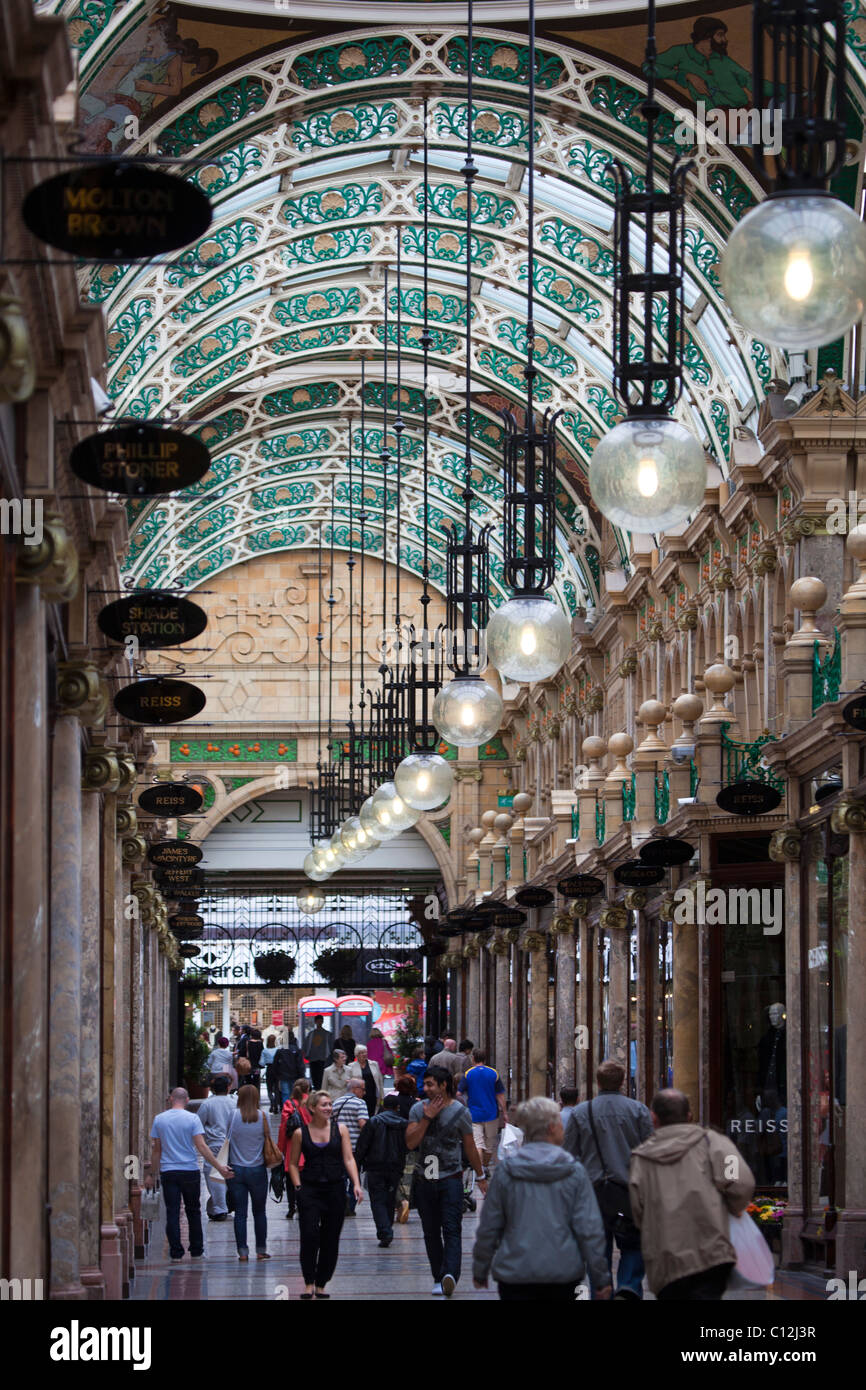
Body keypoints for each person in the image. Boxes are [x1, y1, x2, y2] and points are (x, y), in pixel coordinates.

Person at [472, 1096, 612, 1301]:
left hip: (515, 1272)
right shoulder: (574, 1172)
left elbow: (490, 1225)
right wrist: (600, 1279)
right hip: (562, 1272)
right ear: (553, 1127)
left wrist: (480, 1267)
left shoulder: (506, 1172)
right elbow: (589, 1229)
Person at [629, 1088, 756, 1301]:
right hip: (711, 1254)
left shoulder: (641, 1159)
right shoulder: (715, 1144)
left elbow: (637, 1208)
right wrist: (733, 1209)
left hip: (666, 1259)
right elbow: (739, 1179)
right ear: (689, 1116)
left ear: (654, 1118)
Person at [563, 1059, 653, 1300]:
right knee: (633, 1245)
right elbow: (650, 1151)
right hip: (630, 1191)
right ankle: (630, 1286)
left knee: (598, 1251)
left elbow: (569, 1155)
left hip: (594, 1193)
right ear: (623, 1081)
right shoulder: (638, 1110)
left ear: (598, 1082)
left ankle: (601, 1293)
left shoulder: (581, 1112)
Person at [406, 1065, 486, 1298]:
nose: (426, 1088)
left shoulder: (461, 1112)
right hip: (425, 1180)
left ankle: (450, 1274)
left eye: (431, 1084)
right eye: (425, 1084)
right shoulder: (416, 1109)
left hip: (451, 1178)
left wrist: (480, 1176)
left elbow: (470, 1146)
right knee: (430, 1231)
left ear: (444, 1085)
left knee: (452, 1228)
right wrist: (427, 1118)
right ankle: (438, 1276)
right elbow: (410, 1143)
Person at [288, 1090, 363, 1299]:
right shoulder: (300, 1133)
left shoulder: (341, 1130)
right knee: (310, 1235)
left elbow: (348, 1158)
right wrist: (298, 1187)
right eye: (324, 1105)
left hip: (335, 1188)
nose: (329, 1108)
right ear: (312, 1108)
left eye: (330, 1104)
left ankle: (321, 1283)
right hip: (310, 1189)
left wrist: (356, 1184)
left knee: (331, 1238)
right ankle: (308, 1282)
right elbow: (293, 1164)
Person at [147, 1087, 233, 1261]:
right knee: (193, 1210)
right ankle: (196, 1250)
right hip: (189, 1171)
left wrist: (151, 1174)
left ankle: (176, 1252)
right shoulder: (192, 1119)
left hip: (168, 1171)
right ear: (187, 1100)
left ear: (171, 1099)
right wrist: (219, 1166)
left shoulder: (159, 1119)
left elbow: (157, 1150)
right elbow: (202, 1147)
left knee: (172, 1212)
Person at [225, 1083, 272, 1261]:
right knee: (259, 1212)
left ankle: (243, 1252)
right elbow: (268, 1141)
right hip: (258, 1169)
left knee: (240, 1213)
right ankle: (261, 1250)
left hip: (236, 1169)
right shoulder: (263, 1116)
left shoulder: (233, 1115)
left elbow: (227, 1139)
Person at [354, 1093, 409, 1247]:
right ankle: (387, 1227)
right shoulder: (403, 1123)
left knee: (377, 1200)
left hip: (375, 1166)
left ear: (384, 1106)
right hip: (395, 1167)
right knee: (390, 1199)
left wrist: (357, 1165)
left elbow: (362, 1145)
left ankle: (385, 1231)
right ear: (398, 1107)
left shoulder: (373, 1122)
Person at [457, 1048, 506, 1176]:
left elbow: (458, 1093)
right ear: (485, 1059)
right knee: (490, 1145)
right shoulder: (493, 1073)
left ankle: (480, 1172)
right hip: (492, 1114)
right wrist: (504, 1112)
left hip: (474, 1114)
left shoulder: (468, 1074)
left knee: (477, 1143)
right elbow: (500, 1095)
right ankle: (484, 1166)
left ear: (473, 1058)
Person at [198, 1074, 236, 1222]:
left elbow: (199, 1124)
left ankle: (219, 1207)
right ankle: (220, 1206)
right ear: (228, 1087)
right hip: (233, 1143)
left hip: (215, 1144)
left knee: (215, 1176)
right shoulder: (235, 1102)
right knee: (229, 1174)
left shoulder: (207, 1104)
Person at [332, 1076, 368, 1215]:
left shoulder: (335, 1103)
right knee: (354, 1177)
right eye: (363, 1089)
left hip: (338, 1147)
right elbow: (363, 1125)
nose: (364, 1093)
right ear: (355, 1089)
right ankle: (350, 1206)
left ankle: (341, 1202)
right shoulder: (360, 1104)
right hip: (354, 1148)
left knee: (341, 1177)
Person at [277, 1079, 312, 1220]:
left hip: (293, 1146)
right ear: (307, 1089)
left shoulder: (289, 1104)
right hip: (310, 1145)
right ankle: (306, 1205)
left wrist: (281, 1148)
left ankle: (292, 1206)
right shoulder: (311, 1103)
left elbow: (284, 1127)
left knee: (291, 1181)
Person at [347, 1044, 383, 1116]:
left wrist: (381, 1094)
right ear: (356, 1055)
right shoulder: (351, 1066)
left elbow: (380, 1080)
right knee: (360, 1114)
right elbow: (349, 1082)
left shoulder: (374, 1064)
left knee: (372, 1113)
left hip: (372, 1094)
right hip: (358, 1095)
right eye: (361, 1053)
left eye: (365, 1052)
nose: (364, 1054)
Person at [272, 1030, 304, 1106]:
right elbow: (300, 1064)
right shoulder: (297, 1050)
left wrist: (277, 1075)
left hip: (283, 1075)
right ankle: (294, 1110)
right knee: (294, 1094)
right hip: (295, 1075)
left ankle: (287, 1110)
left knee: (285, 1094)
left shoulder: (280, 1050)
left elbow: (275, 1065)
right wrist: (301, 1075)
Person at [305, 1015, 331, 1091]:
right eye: (318, 1021)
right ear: (315, 1022)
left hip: (323, 1060)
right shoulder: (311, 1034)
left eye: (320, 1021)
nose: (319, 1023)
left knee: (321, 1078)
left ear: (322, 1022)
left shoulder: (327, 1034)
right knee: (315, 1078)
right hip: (315, 1059)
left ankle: (320, 1091)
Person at [260, 1034, 279, 1113]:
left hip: (270, 1069)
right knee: (277, 1088)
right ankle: (276, 1103)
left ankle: (272, 1102)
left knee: (269, 1088)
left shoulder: (265, 1051)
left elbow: (262, 1063)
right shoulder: (278, 1050)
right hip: (277, 1070)